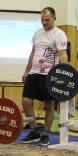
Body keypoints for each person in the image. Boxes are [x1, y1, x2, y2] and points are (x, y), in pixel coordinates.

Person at [21, 7, 68, 146]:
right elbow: (33, 53)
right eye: (42, 20)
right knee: (25, 101)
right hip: (34, 73)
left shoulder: (59, 34)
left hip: (49, 75)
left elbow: (63, 54)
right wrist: (26, 71)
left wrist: (63, 74)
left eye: (47, 20)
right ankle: (34, 130)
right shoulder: (37, 33)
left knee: (49, 104)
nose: (44, 22)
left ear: (54, 18)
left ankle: (46, 134)